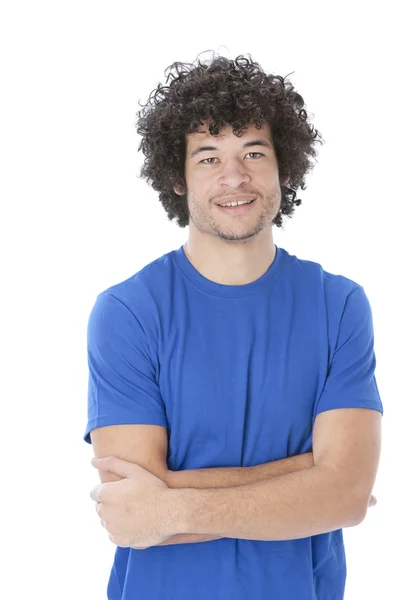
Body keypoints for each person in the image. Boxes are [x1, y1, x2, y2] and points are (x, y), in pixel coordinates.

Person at [84, 52, 383, 600]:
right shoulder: (127, 313)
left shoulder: (338, 305)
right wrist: (309, 476)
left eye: (253, 151)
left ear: (284, 167)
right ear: (177, 178)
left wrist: (168, 505)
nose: (234, 176)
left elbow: (344, 496)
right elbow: (129, 510)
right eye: (207, 157)